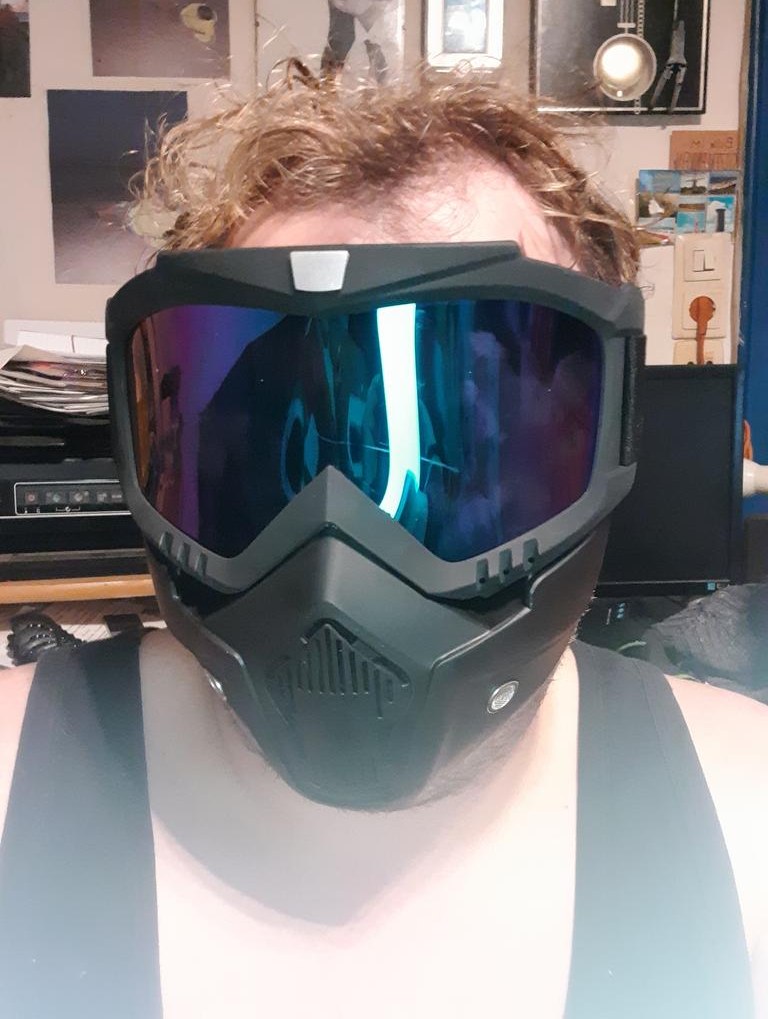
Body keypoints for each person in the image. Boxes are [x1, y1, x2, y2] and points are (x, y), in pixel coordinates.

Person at [0, 65, 766, 1018]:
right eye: (288, 436)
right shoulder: (13, 775)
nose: (337, 557)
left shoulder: (748, 823)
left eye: (457, 450)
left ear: (602, 439)